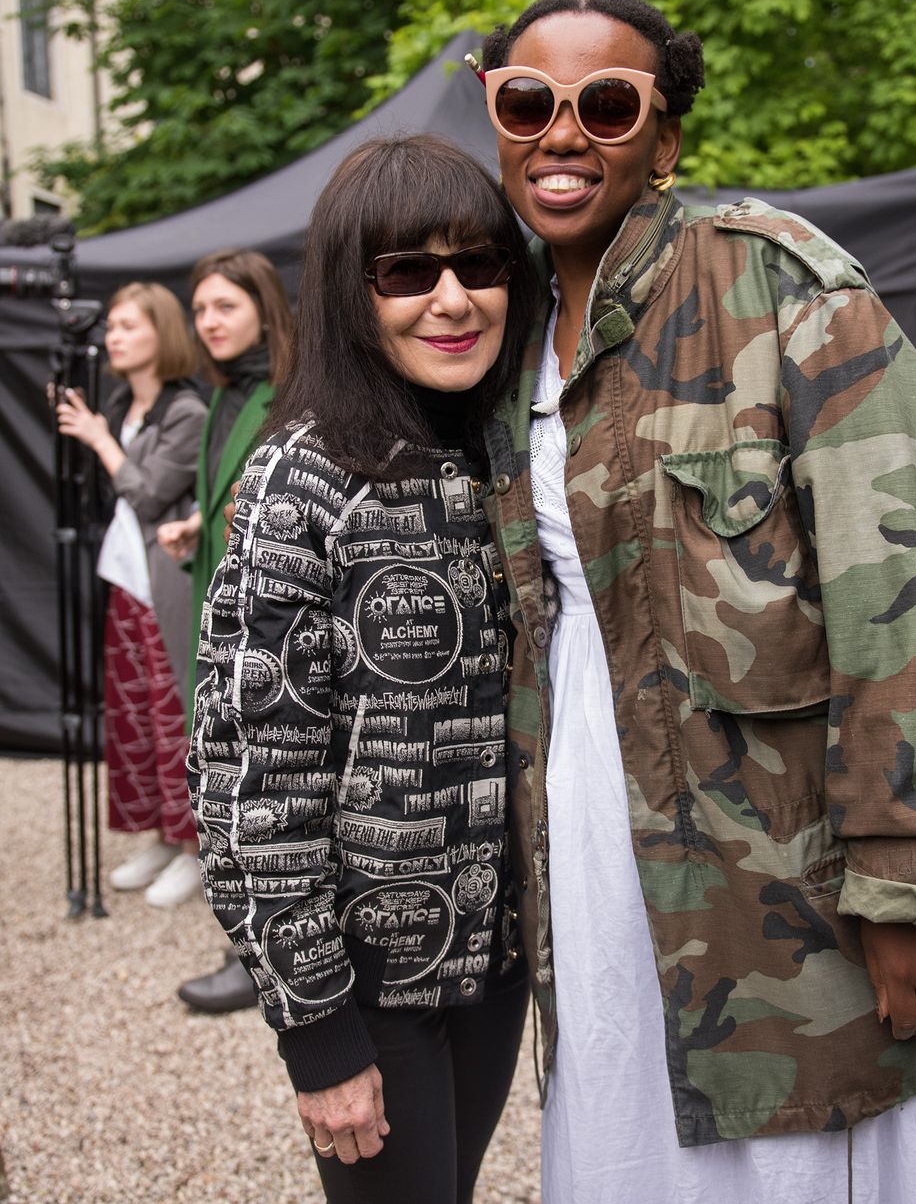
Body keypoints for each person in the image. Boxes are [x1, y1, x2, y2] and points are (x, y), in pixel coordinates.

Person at [475, 0, 916, 1202]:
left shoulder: (774, 281)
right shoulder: (497, 321)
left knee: (807, 1135)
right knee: (636, 1118)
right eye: (529, 103)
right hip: (592, 821)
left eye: (607, 104)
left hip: (788, 858)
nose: (563, 133)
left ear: (665, 140)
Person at [186, 133, 540, 1202]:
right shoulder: (301, 483)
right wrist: (316, 1029)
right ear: (352, 291)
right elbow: (251, 783)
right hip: (373, 984)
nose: (452, 298)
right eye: (408, 271)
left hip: (498, 958)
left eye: (478, 264)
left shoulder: (518, 456)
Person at [161, 248, 296, 1010]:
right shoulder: (222, 396)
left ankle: (261, 959)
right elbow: (228, 496)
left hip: (266, 625)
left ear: (264, 311)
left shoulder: (289, 395)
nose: (208, 322)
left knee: (262, 787)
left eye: (225, 306)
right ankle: (252, 944)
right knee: (229, 780)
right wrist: (198, 522)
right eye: (201, 309)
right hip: (218, 610)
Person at [52, 282, 209, 907]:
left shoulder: (186, 412)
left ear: (161, 333)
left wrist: (99, 439)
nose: (113, 337)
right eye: (111, 326)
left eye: (127, 326)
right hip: (125, 579)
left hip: (165, 583)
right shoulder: (122, 405)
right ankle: (162, 836)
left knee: (174, 715)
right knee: (135, 713)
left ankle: (195, 847)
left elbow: (148, 495)